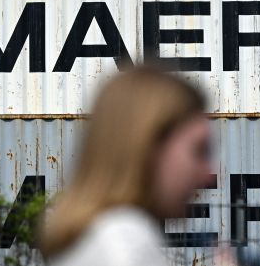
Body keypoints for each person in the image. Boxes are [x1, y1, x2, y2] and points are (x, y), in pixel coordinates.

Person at [39, 66, 214, 266]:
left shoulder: (96, 236)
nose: (207, 175)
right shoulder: (126, 245)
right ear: (148, 147)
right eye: (198, 151)